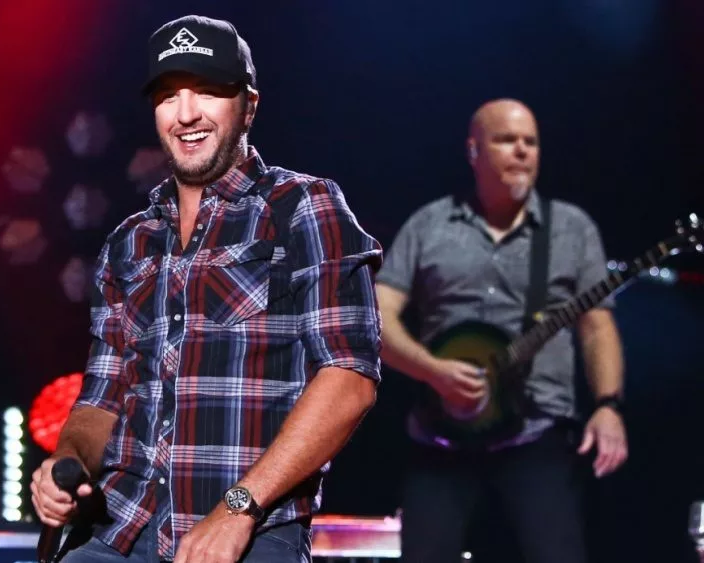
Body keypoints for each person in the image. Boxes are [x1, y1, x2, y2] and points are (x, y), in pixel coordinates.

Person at [30, 14, 383, 563]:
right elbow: (101, 398)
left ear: (249, 105)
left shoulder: (302, 208)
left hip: (249, 532)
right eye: (169, 95)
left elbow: (349, 379)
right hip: (119, 530)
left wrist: (238, 509)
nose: (187, 113)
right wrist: (64, 462)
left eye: (209, 91)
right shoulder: (129, 242)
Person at [375, 98, 628, 563]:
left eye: (530, 142)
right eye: (506, 140)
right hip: (441, 435)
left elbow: (597, 328)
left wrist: (608, 405)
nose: (522, 151)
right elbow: (378, 315)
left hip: (537, 433)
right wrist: (432, 371)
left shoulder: (571, 229)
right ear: (473, 151)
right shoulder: (429, 224)